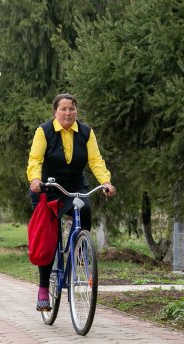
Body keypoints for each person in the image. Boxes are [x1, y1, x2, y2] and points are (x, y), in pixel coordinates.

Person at [27, 93, 117, 311]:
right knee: (49, 239)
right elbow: (35, 159)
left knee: (85, 207)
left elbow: (95, 160)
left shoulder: (86, 133)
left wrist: (106, 181)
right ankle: (42, 289)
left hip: (75, 186)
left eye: (72, 108)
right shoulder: (44, 132)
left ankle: (81, 252)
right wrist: (35, 179)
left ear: (77, 110)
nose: (68, 113)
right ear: (55, 112)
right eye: (63, 109)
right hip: (48, 189)